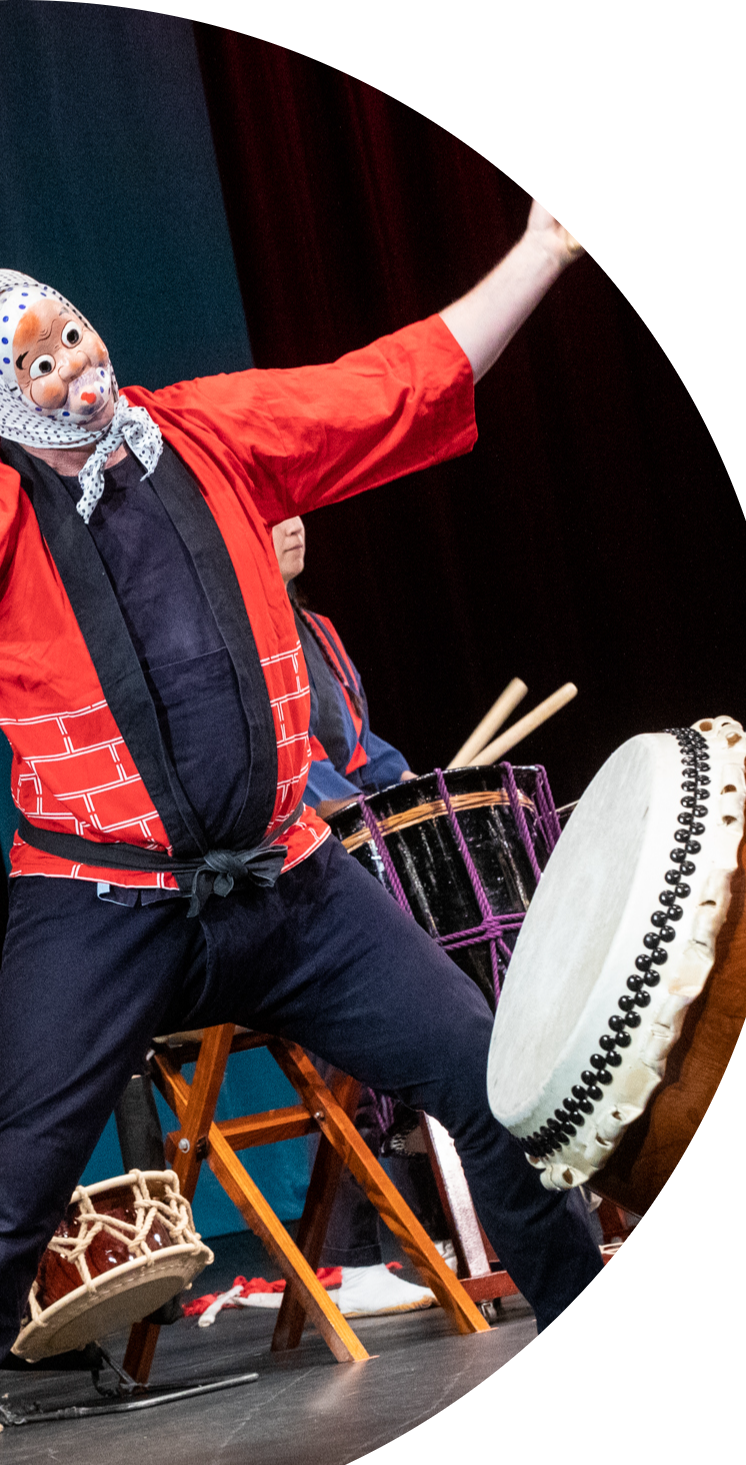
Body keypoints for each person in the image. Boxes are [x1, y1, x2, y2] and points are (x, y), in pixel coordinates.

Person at [0, 201, 603, 1465]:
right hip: (100, 906)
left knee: (487, 1079)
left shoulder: (210, 437)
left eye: (73, 328)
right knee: (9, 1188)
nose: (78, 360)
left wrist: (540, 247)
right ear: (3, 398)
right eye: (43, 358)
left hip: (292, 885)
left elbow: (393, 380)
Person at [273, 515, 456, 1318]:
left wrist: (414, 784)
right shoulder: (233, 635)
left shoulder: (319, 630)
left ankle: (446, 1222)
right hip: (290, 865)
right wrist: (354, 805)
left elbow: (355, 748)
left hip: (347, 845)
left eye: (296, 510)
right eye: (269, 515)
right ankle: (347, 1260)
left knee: (442, 1002)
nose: (293, 525)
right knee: (341, 1048)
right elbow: (285, 762)